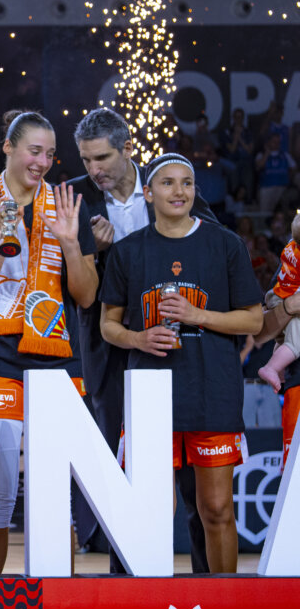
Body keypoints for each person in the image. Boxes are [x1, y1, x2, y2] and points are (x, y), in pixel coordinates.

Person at [99, 153, 262, 574]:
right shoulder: (128, 251)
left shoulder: (224, 244)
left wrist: (198, 316)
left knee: (217, 509)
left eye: (187, 183)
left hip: (212, 391)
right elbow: (107, 325)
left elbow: (254, 318)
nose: (179, 191)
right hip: (151, 395)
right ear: (149, 193)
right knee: (153, 513)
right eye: (168, 183)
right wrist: (138, 337)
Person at [0, 110, 98, 575]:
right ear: (9, 147)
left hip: (57, 360)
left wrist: (72, 245)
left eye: (50, 154)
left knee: (54, 492)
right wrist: (3, 246)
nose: (42, 162)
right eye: (34, 150)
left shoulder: (70, 208)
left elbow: (87, 295)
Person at [70, 108, 215, 569]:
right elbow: (66, 285)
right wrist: (92, 252)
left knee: (193, 478)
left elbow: (210, 248)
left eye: (103, 157)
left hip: (180, 348)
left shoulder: (170, 187)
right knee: (122, 473)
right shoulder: (72, 199)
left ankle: (207, 582)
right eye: (86, 159)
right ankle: (124, 586)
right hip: (112, 350)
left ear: (128, 147)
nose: (94, 170)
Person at [257, 212, 300, 392]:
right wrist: (289, 307)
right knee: (294, 337)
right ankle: (274, 367)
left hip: (278, 295)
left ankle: (277, 368)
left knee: (286, 338)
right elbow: (261, 331)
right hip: (297, 386)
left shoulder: (292, 247)